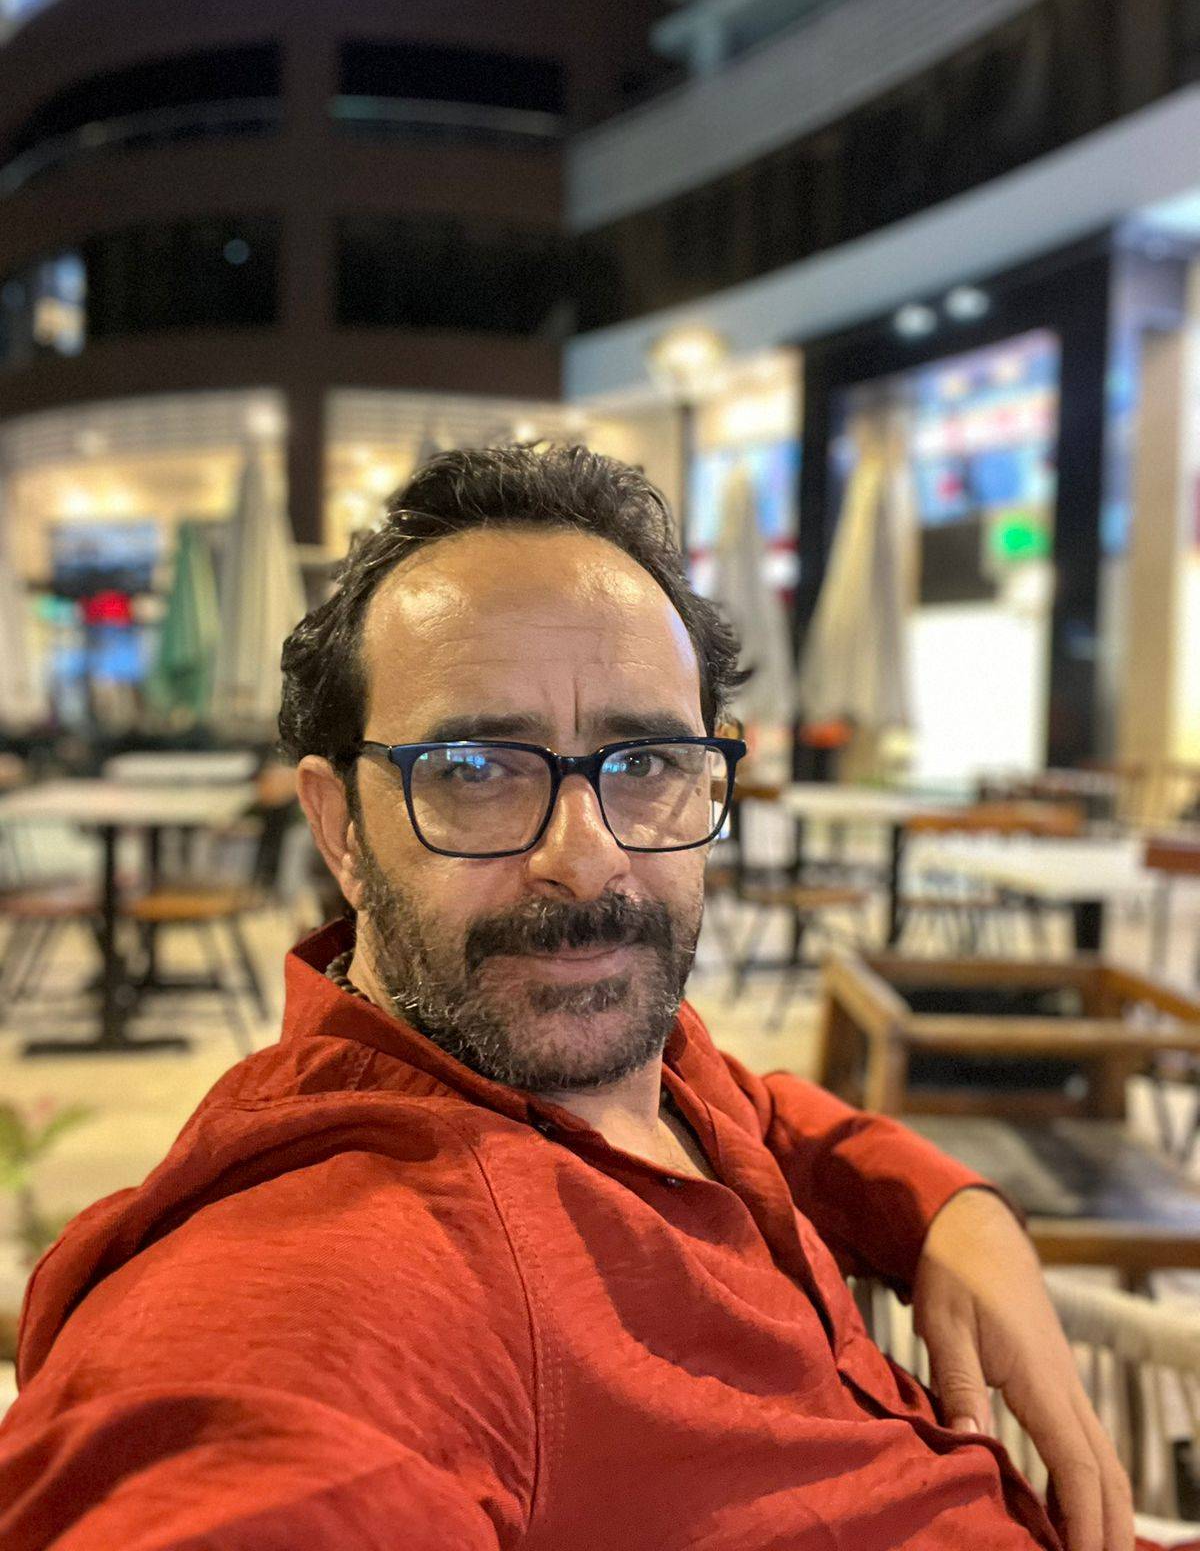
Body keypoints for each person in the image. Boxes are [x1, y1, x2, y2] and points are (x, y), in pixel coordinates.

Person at [0, 445, 1151, 1550]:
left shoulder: (626, 1067)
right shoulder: (338, 1266)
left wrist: (948, 1209)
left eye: (643, 763)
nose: (587, 858)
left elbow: (761, 1112)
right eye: (474, 770)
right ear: (340, 826)